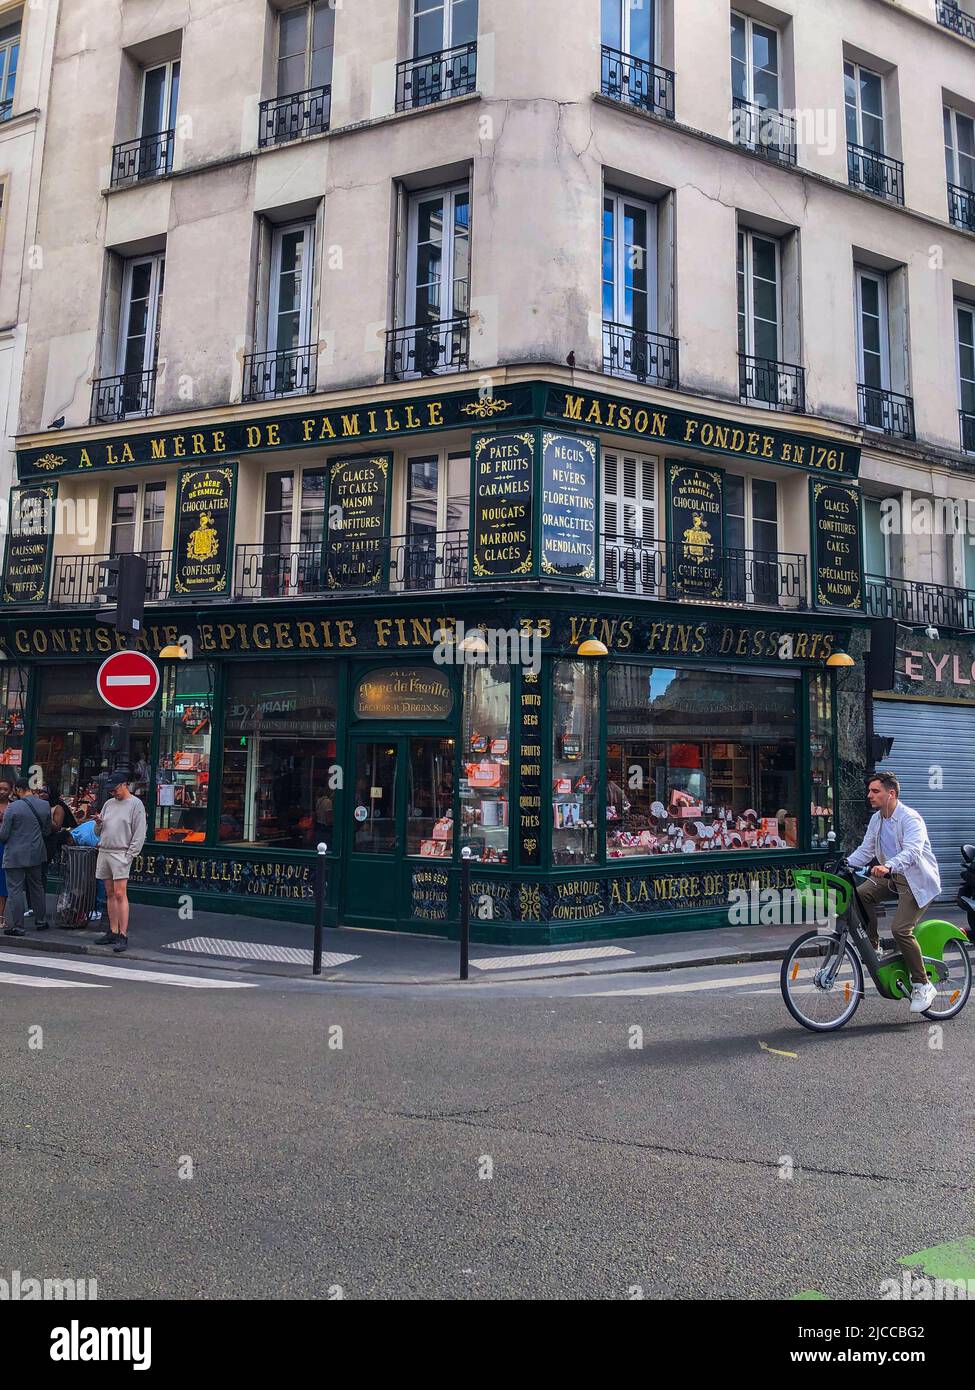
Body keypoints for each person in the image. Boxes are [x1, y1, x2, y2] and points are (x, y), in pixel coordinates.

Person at [847, 772, 940, 1014]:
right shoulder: (877, 820)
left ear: (891, 794)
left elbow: (913, 852)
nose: (869, 795)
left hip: (916, 881)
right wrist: (845, 863)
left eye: (875, 791)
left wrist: (888, 866)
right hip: (893, 877)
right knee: (860, 894)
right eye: (869, 791)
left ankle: (922, 983)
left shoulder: (910, 819)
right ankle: (874, 944)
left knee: (901, 929)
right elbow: (865, 850)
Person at [92, 774, 146, 953]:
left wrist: (130, 854)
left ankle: (123, 934)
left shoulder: (135, 804)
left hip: (121, 852)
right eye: (111, 790)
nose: (113, 792)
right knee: (109, 893)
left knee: (120, 893)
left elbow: (140, 831)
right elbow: (99, 831)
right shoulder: (109, 804)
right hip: (106, 850)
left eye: (115, 788)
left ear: (125, 785)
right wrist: (99, 823)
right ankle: (113, 931)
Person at [0, 778, 52, 937]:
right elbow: (48, 830)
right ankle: (41, 921)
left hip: (15, 854)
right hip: (36, 852)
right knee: (37, 887)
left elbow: (3, 835)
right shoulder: (44, 805)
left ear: (16, 789)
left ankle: (18, 926)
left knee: (15, 889)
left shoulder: (13, 807)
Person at [68, 804, 107, 924]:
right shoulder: (80, 832)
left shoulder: (83, 836)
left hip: (98, 854)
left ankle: (98, 908)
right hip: (93, 854)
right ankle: (93, 907)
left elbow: (96, 845)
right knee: (96, 880)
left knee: (99, 880)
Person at [0, 778, 11, 928]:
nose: (2, 792)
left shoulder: (14, 806)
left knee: (3, 882)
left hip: (6, 846)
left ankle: (1, 915)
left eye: (5, 789)